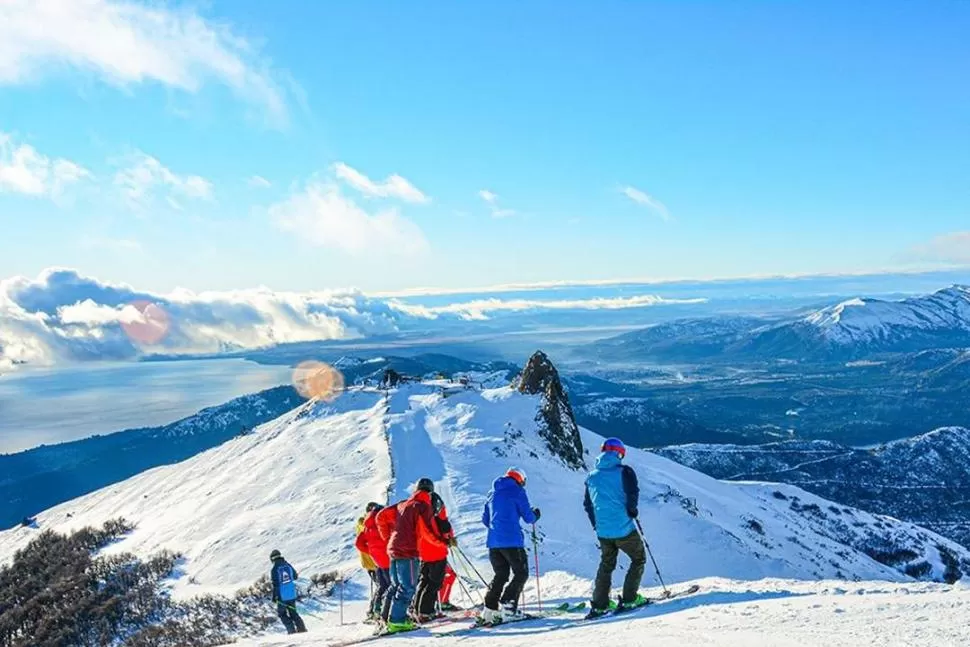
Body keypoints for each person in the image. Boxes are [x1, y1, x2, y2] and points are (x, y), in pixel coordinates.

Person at [583, 437, 647, 618]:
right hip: (624, 528)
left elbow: (587, 504)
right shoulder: (625, 472)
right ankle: (629, 598)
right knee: (638, 558)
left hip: (603, 531)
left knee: (606, 564)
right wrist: (632, 510)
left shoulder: (591, 476)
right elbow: (632, 493)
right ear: (620, 453)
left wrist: (596, 525)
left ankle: (600, 604)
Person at [480, 467, 540, 625]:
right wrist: (536, 514)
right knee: (521, 573)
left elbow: (486, 520)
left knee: (501, 575)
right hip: (511, 541)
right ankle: (508, 606)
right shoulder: (517, 491)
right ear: (520, 479)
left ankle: (489, 609)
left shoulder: (491, 493)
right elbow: (529, 518)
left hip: (493, 542)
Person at [384, 478, 440, 634]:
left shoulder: (404, 504)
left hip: (393, 548)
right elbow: (429, 531)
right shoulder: (423, 506)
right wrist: (442, 542)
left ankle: (386, 617)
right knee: (408, 587)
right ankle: (397, 621)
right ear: (429, 492)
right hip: (407, 551)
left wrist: (387, 536)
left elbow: (382, 516)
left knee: (395, 586)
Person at [413, 490, 452, 622]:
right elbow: (443, 523)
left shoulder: (415, 506)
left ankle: (416, 609)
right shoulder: (434, 502)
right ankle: (426, 611)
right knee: (435, 583)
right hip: (437, 550)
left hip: (422, 551)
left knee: (424, 581)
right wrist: (447, 539)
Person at [356, 502, 391, 623]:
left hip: (374, 560)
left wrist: (371, 551)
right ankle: (382, 611)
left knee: (381, 586)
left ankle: (375, 609)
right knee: (389, 586)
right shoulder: (376, 524)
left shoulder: (365, 525)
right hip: (383, 559)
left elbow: (359, 543)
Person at [270, 549, 308, 634]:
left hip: (282, 596)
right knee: (293, 612)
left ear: (272, 559)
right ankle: (302, 630)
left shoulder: (274, 569)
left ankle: (292, 632)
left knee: (282, 614)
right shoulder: (288, 565)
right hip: (291, 593)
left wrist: (274, 597)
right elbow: (295, 577)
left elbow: (275, 585)